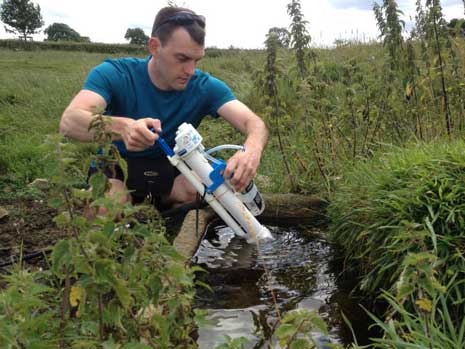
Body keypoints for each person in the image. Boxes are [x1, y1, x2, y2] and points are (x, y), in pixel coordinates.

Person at [59, 6, 269, 211]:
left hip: (169, 171)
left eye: (196, 60)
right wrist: (124, 128)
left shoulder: (204, 86)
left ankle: (164, 215)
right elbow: (70, 121)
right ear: (154, 47)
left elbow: (253, 123)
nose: (190, 70)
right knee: (110, 202)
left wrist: (251, 151)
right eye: (182, 58)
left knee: (217, 190)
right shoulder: (116, 73)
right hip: (116, 167)